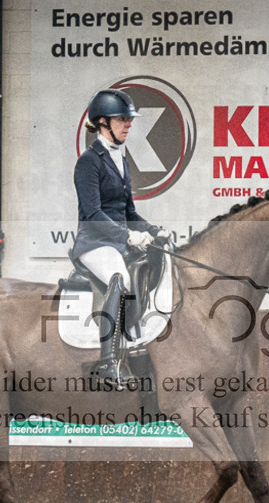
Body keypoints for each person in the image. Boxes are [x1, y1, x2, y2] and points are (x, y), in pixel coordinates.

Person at [71, 88, 165, 384]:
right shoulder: (89, 162)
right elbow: (93, 213)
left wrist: (153, 230)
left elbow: (128, 211)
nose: (129, 124)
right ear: (102, 122)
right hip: (94, 242)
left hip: (117, 241)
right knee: (119, 278)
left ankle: (137, 350)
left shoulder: (120, 160)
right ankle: (107, 363)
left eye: (129, 119)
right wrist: (127, 236)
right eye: (122, 119)